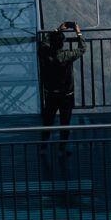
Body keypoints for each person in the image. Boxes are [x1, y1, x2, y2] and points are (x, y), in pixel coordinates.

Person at [39, 22, 87, 153]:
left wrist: (57, 30)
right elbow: (82, 48)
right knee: (65, 122)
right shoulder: (67, 55)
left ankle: (43, 146)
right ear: (62, 44)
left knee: (48, 120)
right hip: (66, 95)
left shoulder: (45, 53)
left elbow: (44, 43)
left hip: (50, 94)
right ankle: (62, 148)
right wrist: (78, 33)